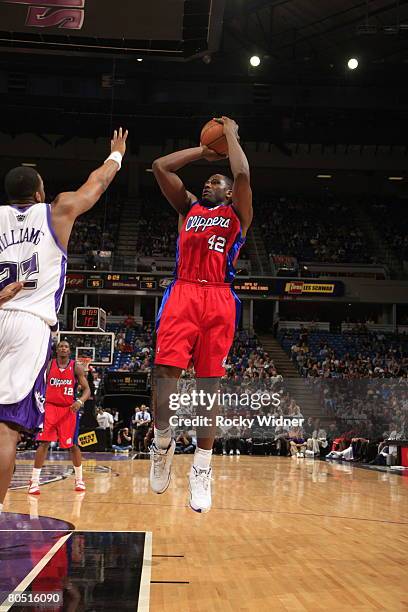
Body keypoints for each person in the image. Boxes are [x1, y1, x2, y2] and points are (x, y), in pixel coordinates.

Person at [0, 127, 128, 513]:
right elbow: (97, 184)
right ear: (39, 193)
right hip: (28, 323)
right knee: (6, 428)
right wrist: (117, 155)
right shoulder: (57, 210)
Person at [151, 116, 252, 513]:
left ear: (229, 195)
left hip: (219, 298)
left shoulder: (237, 216)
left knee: (209, 389)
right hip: (183, 291)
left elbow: (242, 171)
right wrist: (205, 150)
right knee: (165, 376)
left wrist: (231, 133)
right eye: (207, 180)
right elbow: (162, 166)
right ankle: (162, 442)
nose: (209, 183)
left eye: (216, 181)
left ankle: (202, 469)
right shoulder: (188, 207)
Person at [28, 341, 91, 494]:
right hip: (49, 408)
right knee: (43, 443)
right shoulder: (49, 365)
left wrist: (80, 401)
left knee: (73, 446)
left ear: (70, 351)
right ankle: (34, 482)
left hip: (68, 410)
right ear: (56, 350)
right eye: (60, 346)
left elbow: (87, 389)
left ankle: (79, 480)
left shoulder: (76, 367)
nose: (63, 348)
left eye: (66, 347)